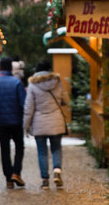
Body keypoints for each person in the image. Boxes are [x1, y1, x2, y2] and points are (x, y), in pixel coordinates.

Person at [23, 60, 69, 190]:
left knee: (42, 152)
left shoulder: (32, 85)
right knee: (56, 148)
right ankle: (57, 170)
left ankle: (45, 180)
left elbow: (28, 108)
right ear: (49, 70)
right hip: (56, 121)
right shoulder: (57, 82)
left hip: (39, 123)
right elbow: (66, 100)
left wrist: (26, 126)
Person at [0, 57, 26, 189]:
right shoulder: (17, 82)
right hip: (16, 121)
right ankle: (16, 172)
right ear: (10, 68)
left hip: (1, 122)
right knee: (19, 147)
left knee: (5, 150)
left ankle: (8, 179)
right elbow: (23, 103)